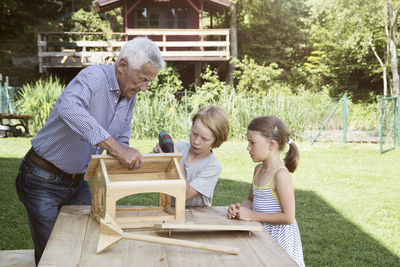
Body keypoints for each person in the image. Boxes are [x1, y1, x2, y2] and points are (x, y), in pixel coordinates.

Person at [15, 36, 165, 265]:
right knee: (53, 254)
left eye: (148, 82)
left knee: (85, 243)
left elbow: (120, 142)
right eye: (142, 79)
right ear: (123, 66)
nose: (144, 88)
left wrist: (136, 159)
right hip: (41, 179)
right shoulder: (93, 77)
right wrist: (116, 148)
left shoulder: (129, 95)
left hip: (77, 183)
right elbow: (69, 109)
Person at [227, 116, 305, 267]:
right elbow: (250, 200)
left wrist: (252, 215)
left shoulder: (281, 175)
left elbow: (288, 217)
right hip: (261, 235)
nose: (248, 147)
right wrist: (239, 210)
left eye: (252, 142)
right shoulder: (258, 169)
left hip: (279, 242)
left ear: (271, 144)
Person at [153, 105, 229, 207]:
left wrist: (176, 158)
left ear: (216, 140)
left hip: (197, 217)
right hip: (168, 210)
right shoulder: (179, 147)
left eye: (204, 139)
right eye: (194, 133)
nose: (196, 141)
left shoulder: (212, 167)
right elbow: (149, 169)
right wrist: (156, 155)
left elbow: (184, 194)